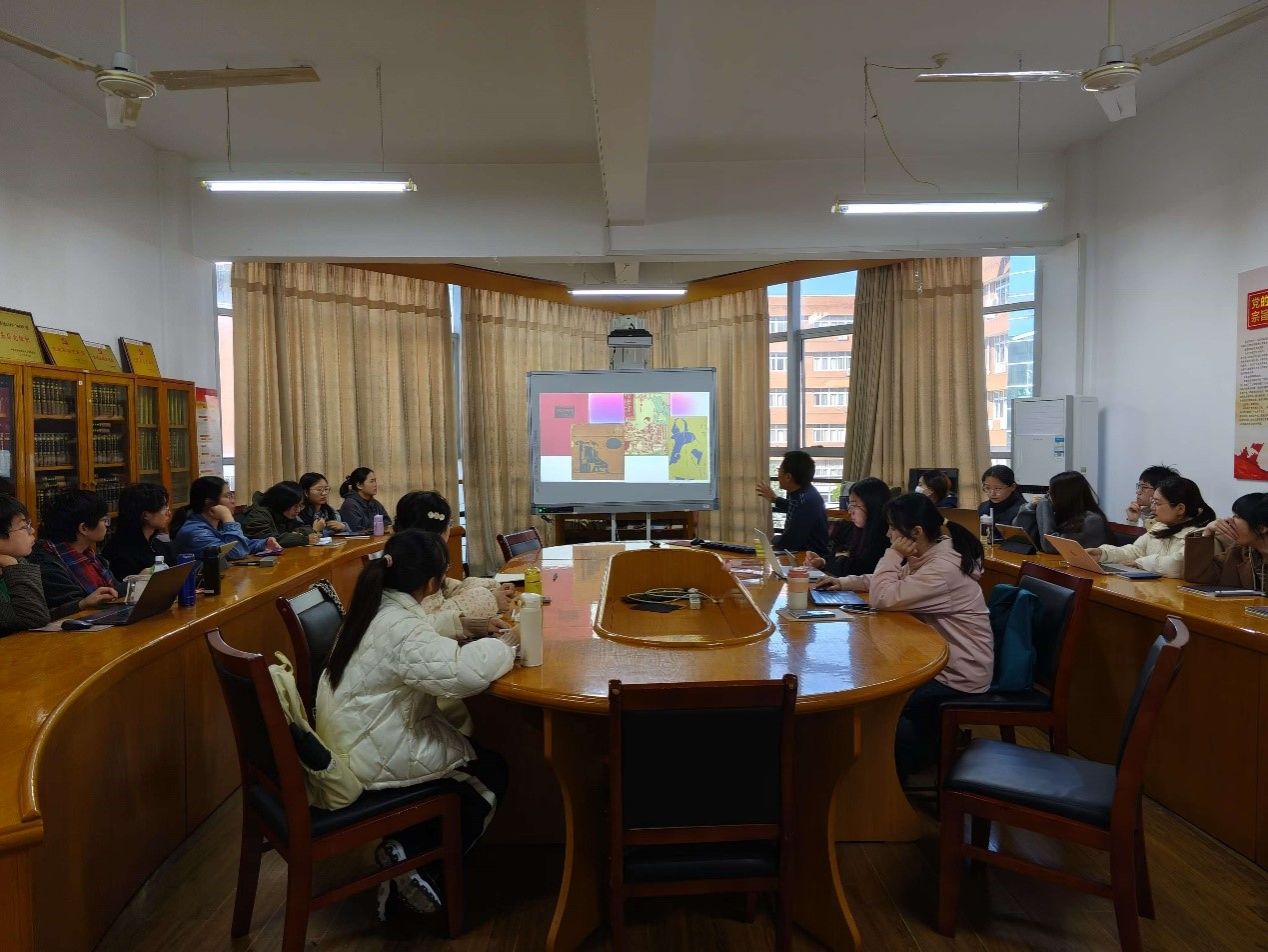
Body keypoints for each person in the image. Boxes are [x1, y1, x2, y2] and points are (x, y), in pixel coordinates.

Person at [316, 531, 517, 917]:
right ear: (432, 583)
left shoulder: (373, 608)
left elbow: (419, 646)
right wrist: (506, 646)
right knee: (489, 773)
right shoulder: (401, 626)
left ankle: (407, 855)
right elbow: (461, 674)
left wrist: (468, 629)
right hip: (369, 755)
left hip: (348, 741)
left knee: (468, 758)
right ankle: (419, 867)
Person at [819, 493, 992, 779]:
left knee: (877, 703)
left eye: (892, 528)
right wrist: (843, 582)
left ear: (916, 532)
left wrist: (893, 554)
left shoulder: (942, 568)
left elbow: (883, 597)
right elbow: (890, 580)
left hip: (957, 673)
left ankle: (889, 770)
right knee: (870, 684)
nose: (888, 534)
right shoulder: (932, 553)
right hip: (941, 660)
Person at [395, 490, 512, 619]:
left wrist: (491, 587)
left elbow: (444, 587)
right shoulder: (419, 562)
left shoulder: (405, 552)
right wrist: (492, 599)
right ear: (439, 532)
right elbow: (436, 616)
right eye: (449, 524)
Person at [1087, 475, 1214, 578]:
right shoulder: (1160, 526)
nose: (1152, 507)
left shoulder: (1200, 535)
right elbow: (1136, 551)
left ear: (1180, 508)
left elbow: (1178, 564)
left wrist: (1139, 563)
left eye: (1157, 503)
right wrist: (1103, 553)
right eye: (1152, 501)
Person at [30, 489, 120, 619]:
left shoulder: (89, 555)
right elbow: (73, 609)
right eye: (104, 520)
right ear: (84, 528)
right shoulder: (47, 564)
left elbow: (115, 591)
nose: (107, 525)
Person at [171, 476, 281, 561]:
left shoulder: (217, 525)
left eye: (232, 495)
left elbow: (242, 544)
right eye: (228, 496)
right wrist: (227, 517)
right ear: (209, 502)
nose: (233, 501)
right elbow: (237, 552)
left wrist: (264, 543)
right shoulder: (195, 532)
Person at [806, 476, 891, 580]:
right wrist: (822, 561)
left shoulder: (887, 535)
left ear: (872, 506)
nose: (850, 511)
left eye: (854, 505)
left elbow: (858, 570)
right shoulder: (854, 529)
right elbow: (840, 558)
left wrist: (826, 563)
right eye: (849, 504)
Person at [754, 450, 829, 558]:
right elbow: (793, 507)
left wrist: (774, 540)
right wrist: (774, 499)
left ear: (788, 477)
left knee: (757, 556)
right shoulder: (803, 492)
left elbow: (789, 543)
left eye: (779, 470)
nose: (777, 474)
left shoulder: (806, 501)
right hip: (798, 552)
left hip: (809, 558)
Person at [1026, 471, 1112, 554]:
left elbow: (1049, 546)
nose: (1048, 497)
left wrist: (1044, 505)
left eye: (1051, 493)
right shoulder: (1065, 516)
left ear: (1065, 496)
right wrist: (1031, 507)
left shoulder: (1092, 520)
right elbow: (1025, 537)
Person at [0, 494, 50, 634]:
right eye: (24, 526)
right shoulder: (14, 565)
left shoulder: (19, 561)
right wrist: (13, 566)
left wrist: (79, 604)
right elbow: (34, 619)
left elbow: (42, 614)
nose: (32, 530)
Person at [102, 483, 174, 579]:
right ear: (145, 515)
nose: (169, 513)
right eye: (164, 508)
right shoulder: (119, 554)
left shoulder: (158, 544)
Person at [1196, 492, 1268, 589]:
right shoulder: (1239, 551)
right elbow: (1200, 576)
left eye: (1237, 516)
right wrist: (1207, 531)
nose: (1229, 521)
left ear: (1261, 528)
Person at [241, 481, 318, 548]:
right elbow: (270, 541)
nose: (298, 510)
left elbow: (306, 528)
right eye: (295, 506)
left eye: (300, 505)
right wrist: (303, 539)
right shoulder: (258, 515)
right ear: (283, 502)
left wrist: (295, 533)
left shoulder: (283, 514)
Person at [339, 467, 392, 534]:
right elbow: (357, 531)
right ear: (359, 485)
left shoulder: (375, 503)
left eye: (375, 481)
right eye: (371, 481)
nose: (375, 485)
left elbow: (387, 524)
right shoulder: (350, 505)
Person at [978, 464, 1026, 536]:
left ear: (1013, 487)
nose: (992, 493)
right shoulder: (983, 507)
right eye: (987, 488)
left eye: (998, 488)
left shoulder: (1023, 510)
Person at [1126, 464, 1179, 528]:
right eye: (1139, 486)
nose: (1138, 492)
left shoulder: (1168, 519)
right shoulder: (1142, 512)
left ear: (1160, 490)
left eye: (1144, 487)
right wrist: (1132, 521)